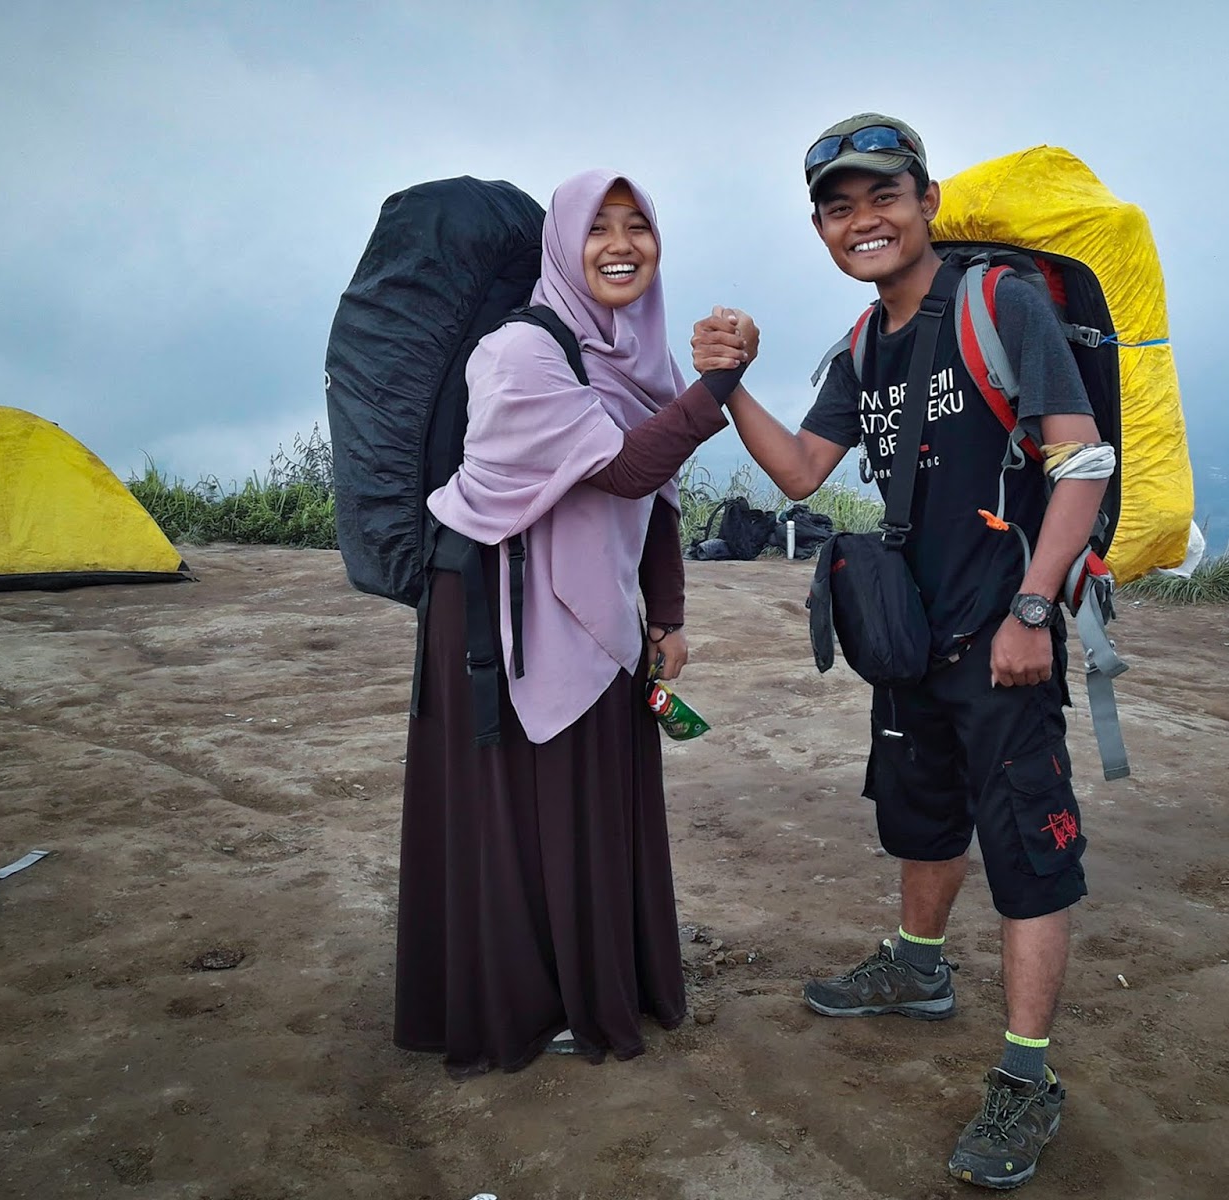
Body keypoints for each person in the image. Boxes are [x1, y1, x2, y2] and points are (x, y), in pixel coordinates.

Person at [691, 115, 1109, 1189]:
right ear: (823, 230)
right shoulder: (862, 346)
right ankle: (918, 969)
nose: (861, 220)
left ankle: (1026, 1077)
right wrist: (731, 383)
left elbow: (1081, 462)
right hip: (910, 637)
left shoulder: (999, 304)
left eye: (881, 196)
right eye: (838, 207)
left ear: (925, 202)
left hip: (1001, 631)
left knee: (1025, 851)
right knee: (921, 813)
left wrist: (1031, 610)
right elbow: (798, 472)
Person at [394, 169, 750, 1073]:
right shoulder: (519, 353)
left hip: (597, 607)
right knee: (515, 809)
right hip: (492, 608)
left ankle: (597, 988)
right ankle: (515, 1002)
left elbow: (658, 502)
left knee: (593, 797)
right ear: (563, 245)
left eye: (640, 227)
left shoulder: (639, 353)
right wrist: (716, 392)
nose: (622, 245)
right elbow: (624, 469)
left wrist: (667, 616)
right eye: (600, 228)